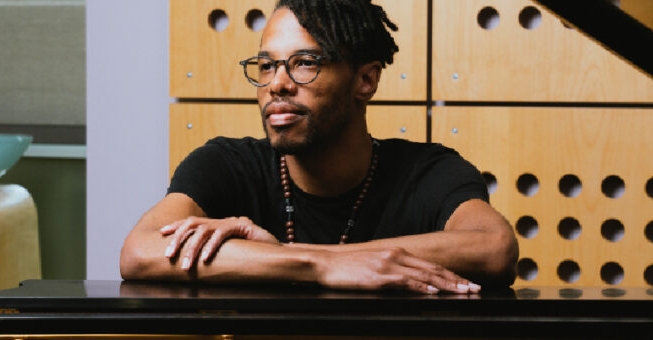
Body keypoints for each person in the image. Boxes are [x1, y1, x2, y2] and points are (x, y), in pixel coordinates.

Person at [120, 0, 518, 294]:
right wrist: (317, 264)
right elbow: (140, 251)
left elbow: (493, 247)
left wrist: (276, 255)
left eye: (305, 62)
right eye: (266, 65)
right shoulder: (226, 164)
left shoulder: (427, 170)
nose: (277, 83)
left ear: (365, 80)